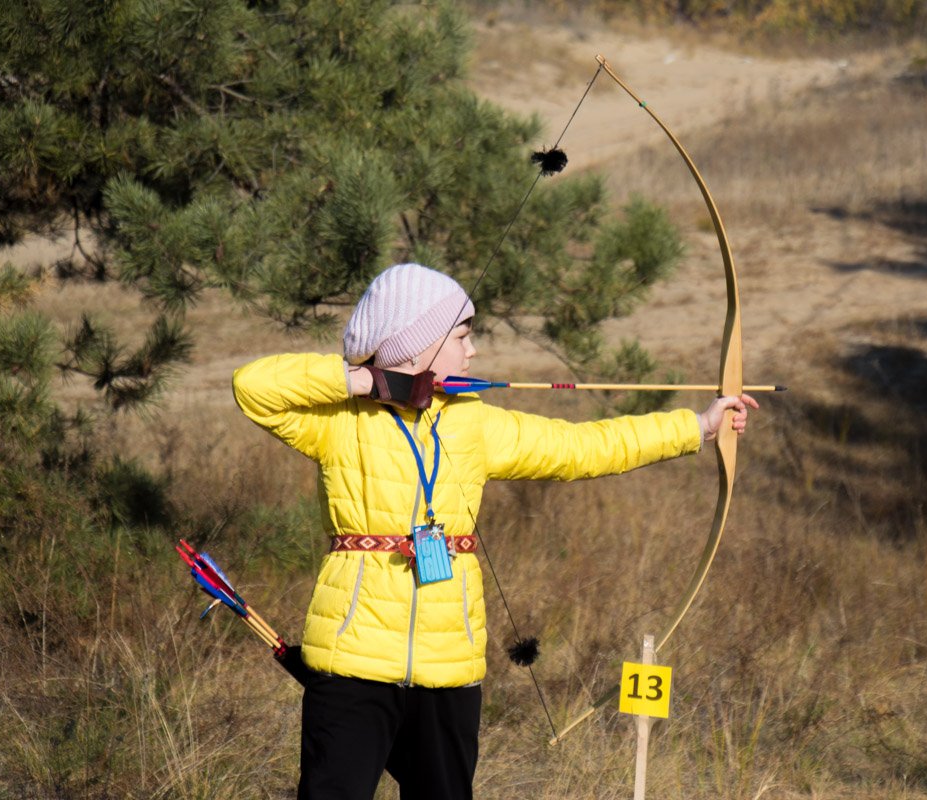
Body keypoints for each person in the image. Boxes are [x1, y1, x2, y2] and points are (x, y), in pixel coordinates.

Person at [232, 262, 757, 800]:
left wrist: (696, 426)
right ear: (420, 345)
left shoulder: (474, 424)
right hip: (351, 663)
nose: (473, 350)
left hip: (450, 666)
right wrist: (366, 380)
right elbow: (252, 388)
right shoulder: (339, 422)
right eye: (462, 336)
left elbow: (583, 447)